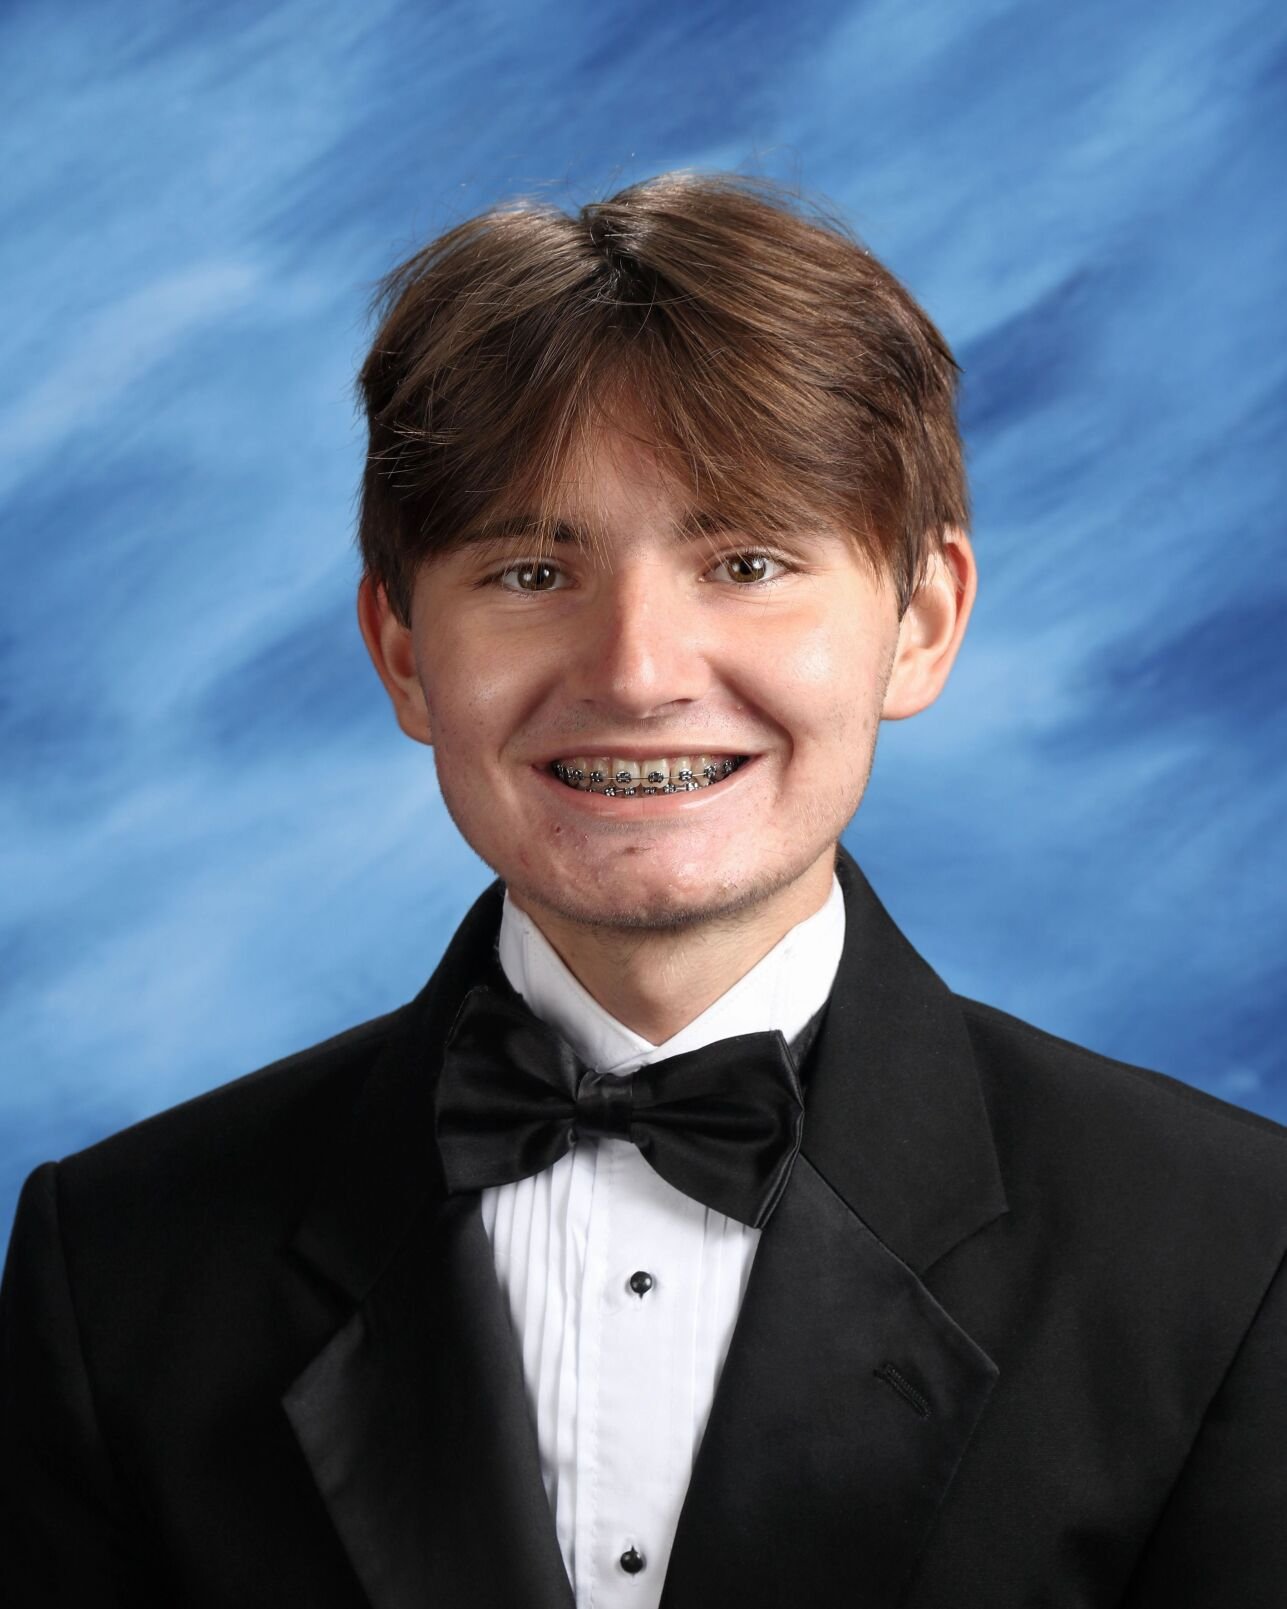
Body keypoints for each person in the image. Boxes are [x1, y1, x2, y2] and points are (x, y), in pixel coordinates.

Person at [2, 170, 1284, 1609]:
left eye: (747, 561)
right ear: (406, 654)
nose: (635, 671)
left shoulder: (1233, 1254)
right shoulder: (116, 1264)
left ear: (919, 623)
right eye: (530, 572)